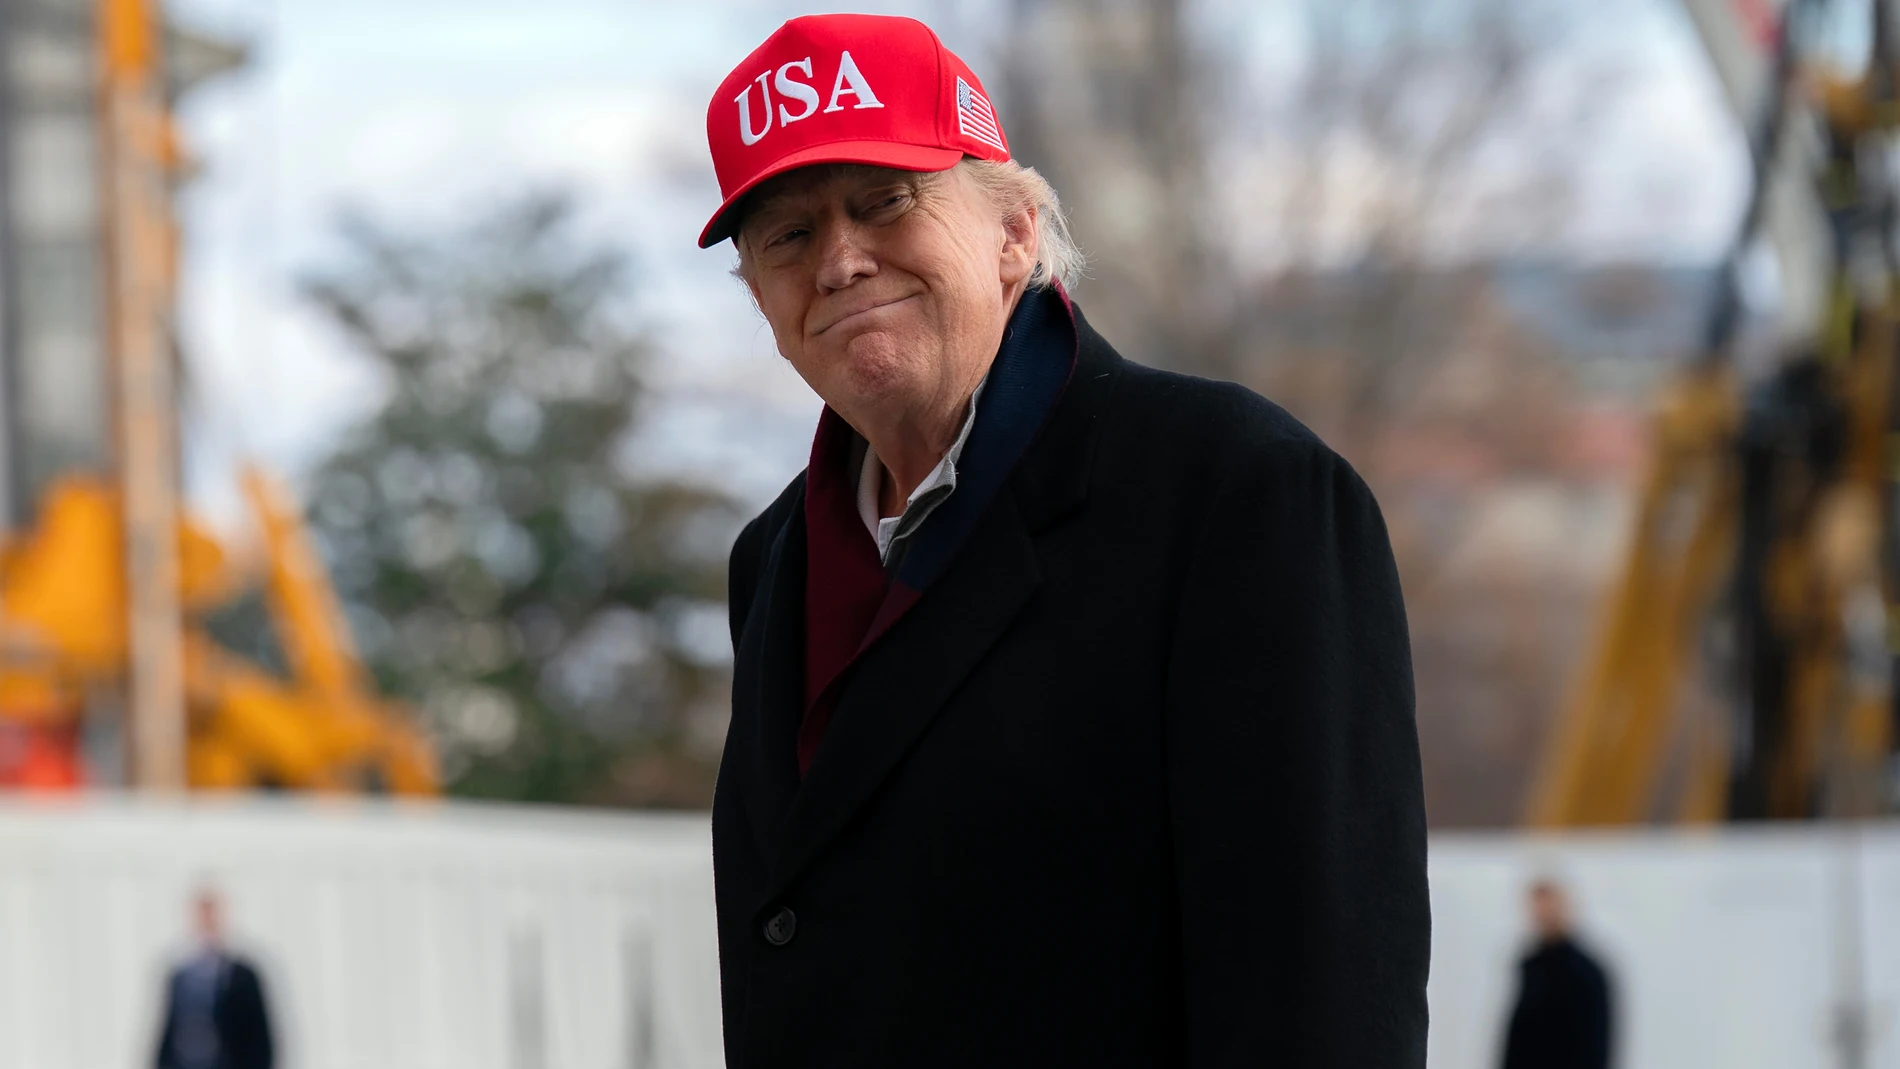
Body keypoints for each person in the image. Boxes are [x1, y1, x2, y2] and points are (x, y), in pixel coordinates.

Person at [706, 13, 1429, 1067]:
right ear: (760, 294)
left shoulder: (1236, 494)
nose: (839, 261)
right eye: (788, 235)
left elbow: (1320, 995)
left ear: (1013, 233)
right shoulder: (773, 561)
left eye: (882, 202)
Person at [154, 888, 275, 1069]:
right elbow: (167, 1034)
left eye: (211, 915)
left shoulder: (243, 976)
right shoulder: (180, 976)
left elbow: (260, 1037)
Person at [1501, 879, 1614, 1069]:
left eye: (1549, 909)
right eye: (1538, 909)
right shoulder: (1532, 966)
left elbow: (1595, 1043)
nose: (1542, 916)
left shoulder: (1585, 971)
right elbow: (1520, 1037)